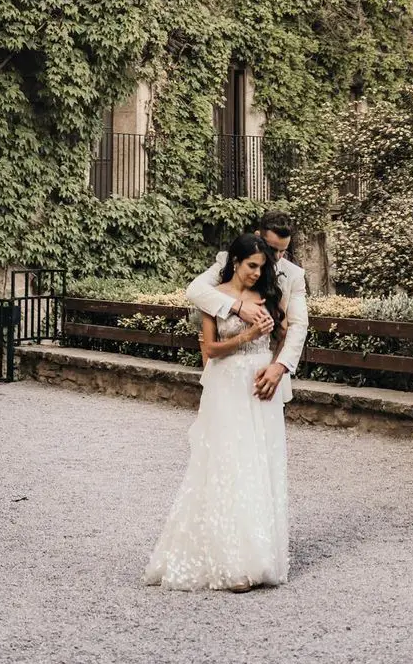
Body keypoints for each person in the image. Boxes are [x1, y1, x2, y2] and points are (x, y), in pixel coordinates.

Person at [143, 233, 291, 592]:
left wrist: (273, 363)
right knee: (228, 462)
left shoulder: (268, 296)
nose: (257, 273)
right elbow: (210, 349)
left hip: (260, 385)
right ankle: (230, 561)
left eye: (262, 267)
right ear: (235, 262)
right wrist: (247, 336)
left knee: (259, 462)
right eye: (252, 266)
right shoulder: (215, 297)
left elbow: (285, 332)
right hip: (227, 384)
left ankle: (259, 556)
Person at [185, 220, 309, 403]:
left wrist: (279, 366)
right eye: (272, 249)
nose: (277, 257)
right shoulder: (231, 260)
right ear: (258, 236)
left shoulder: (294, 275)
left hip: (268, 370)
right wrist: (238, 306)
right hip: (226, 373)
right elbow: (195, 291)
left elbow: (298, 326)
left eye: (283, 251)